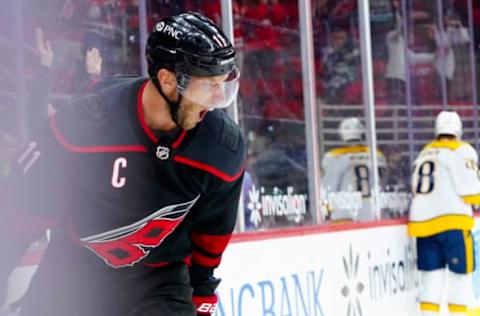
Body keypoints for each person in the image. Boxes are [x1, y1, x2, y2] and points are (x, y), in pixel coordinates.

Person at [0, 12, 245, 316]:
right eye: (209, 85)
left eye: (224, 84)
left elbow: (211, 235)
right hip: (74, 272)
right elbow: (19, 214)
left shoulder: (222, 147)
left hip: (160, 283)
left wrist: (202, 294)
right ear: (168, 80)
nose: (218, 99)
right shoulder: (85, 125)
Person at [408, 111, 480, 316]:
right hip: (452, 226)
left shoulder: (424, 152)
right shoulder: (462, 150)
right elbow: (471, 191)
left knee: (430, 283)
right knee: (460, 280)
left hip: (422, 226)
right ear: (458, 130)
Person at [321, 117, 387, 222]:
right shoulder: (377, 155)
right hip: (372, 213)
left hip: (344, 215)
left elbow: (328, 188)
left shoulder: (334, 156)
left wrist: (324, 211)